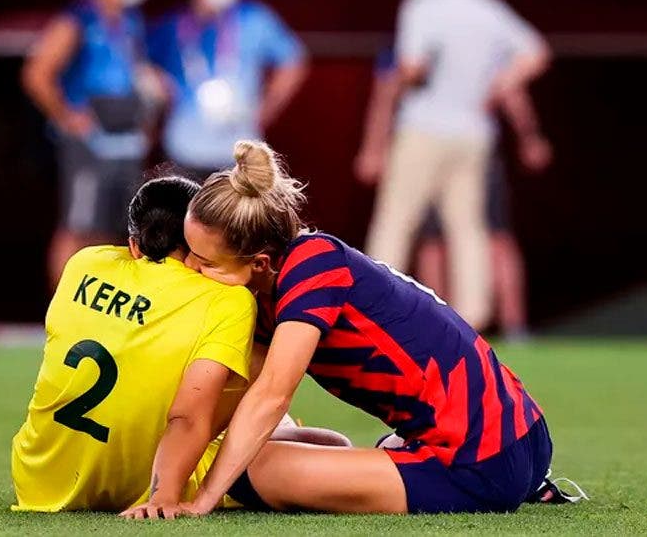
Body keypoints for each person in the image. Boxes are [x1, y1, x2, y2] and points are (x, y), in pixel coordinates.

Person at [154, 140, 571, 517]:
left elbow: (270, 397)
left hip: (480, 459)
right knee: (247, 446)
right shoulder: (278, 283)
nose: (190, 267)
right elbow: (235, 395)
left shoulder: (312, 267)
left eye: (204, 262)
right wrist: (164, 477)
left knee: (248, 470)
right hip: (519, 434)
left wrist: (202, 500)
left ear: (259, 263)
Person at [11, 176, 256, 513]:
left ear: (134, 244)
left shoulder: (84, 263)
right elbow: (188, 416)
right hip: (146, 483)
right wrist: (163, 498)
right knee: (260, 387)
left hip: (38, 479)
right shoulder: (227, 300)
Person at [359, 0, 550, 330]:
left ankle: (373, 306)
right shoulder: (487, 6)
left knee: (397, 219)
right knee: (468, 227)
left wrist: (406, 80)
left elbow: (412, 66)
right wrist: (497, 87)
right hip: (474, 133)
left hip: (424, 127)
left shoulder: (421, 4)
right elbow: (536, 53)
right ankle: (473, 314)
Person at [23, 0, 162, 286]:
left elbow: (134, 74)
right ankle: (61, 313)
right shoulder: (79, 16)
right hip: (90, 141)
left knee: (121, 230)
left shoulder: (131, 20)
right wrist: (66, 116)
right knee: (79, 226)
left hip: (126, 138)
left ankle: (101, 313)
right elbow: (37, 73)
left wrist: (147, 114)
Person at [148, 0, 308, 180]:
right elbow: (138, 62)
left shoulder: (254, 18)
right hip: (184, 150)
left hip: (239, 154)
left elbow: (294, 60)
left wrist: (267, 108)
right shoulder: (172, 25)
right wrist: (160, 92)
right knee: (185, 215)